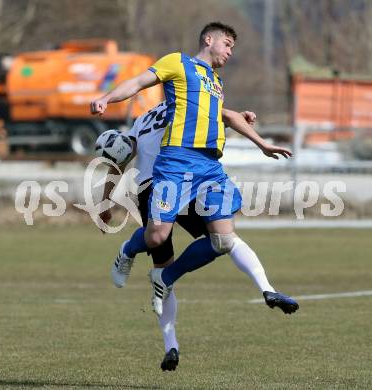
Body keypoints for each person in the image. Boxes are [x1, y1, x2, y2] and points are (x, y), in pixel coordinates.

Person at [91, 22, 298, 323]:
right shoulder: (177, 63)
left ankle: (169, 279)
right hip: (175, 163)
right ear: (208, 39)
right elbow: (137, 83)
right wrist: (107, 98)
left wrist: (260, 142)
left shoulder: (214, 82)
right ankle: (129, 250)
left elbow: (220, 115)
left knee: (224, 240)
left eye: (232, 47)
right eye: (227, 44)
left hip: (209, 167)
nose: (230, 51)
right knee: (158, 236)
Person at [99, 101, 298, 371]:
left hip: (189, 181)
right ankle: (170, 344)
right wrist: (105, 202)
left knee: (224, 240)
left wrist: (240, 119)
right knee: (160, 252)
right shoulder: (149, 117)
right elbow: (120, 157)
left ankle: (268, 290)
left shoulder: (183, 103)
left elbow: (222, 116)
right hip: (153, 186)